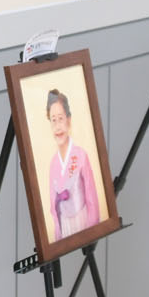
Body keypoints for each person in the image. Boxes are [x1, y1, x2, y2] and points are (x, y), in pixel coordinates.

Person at [45, 89, 101, 239]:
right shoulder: (53, 164)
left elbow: (91, 197)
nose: (57, 126)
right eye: (53, 120)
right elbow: (54, 208)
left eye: (61, 118)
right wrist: (58, 239)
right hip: (65, 227)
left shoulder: (80, 155)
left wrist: (92, 232)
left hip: (83, 221)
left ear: (68, 120)